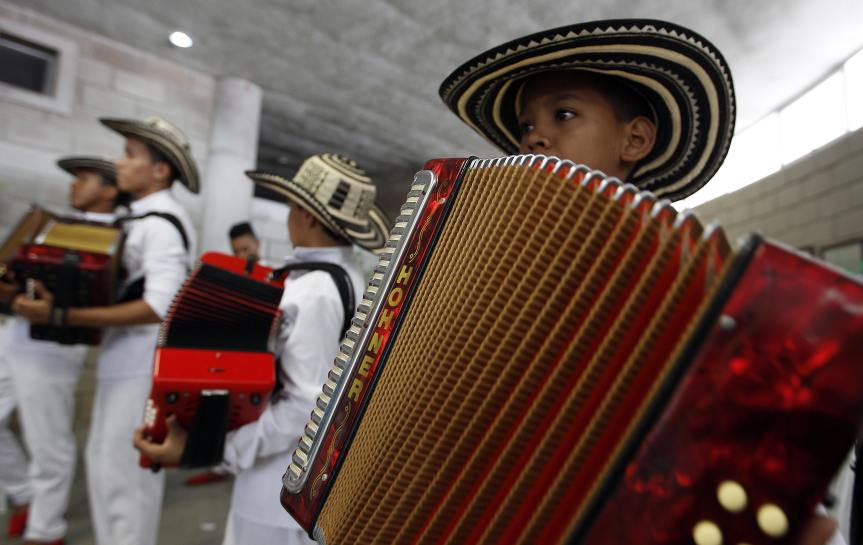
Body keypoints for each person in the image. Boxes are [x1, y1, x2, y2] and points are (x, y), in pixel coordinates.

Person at [438, 18, 841, 545]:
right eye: (524, 126)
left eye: (564, 114)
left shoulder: (696, 280)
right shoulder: (501, 267)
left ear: (635, 139)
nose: (534, 136)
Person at [134, 153, 391, 545]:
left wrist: (213, 448)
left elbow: (304, 407)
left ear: (307, 214)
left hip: (276, 491)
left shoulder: (315, 291)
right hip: (294, 488)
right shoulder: (346, 278)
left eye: (291, 205)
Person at [13, 117, 199, 545]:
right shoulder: (138, 219)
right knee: (105, 468)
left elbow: (158, 306)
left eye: (130, 155)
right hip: (123, 362)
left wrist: (63, 316)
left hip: (142, 367)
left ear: (160, 171)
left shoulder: (161, 223)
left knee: (125, 482)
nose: (119, 163)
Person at [3, 157, 126, 545]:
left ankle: (46, 528)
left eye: (84, 178)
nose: (74, 185)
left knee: (47, 439)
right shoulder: (50, 224)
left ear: (110, 190)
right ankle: (23, 491)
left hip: (56, 346)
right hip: (14, 333)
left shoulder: (119, 235)